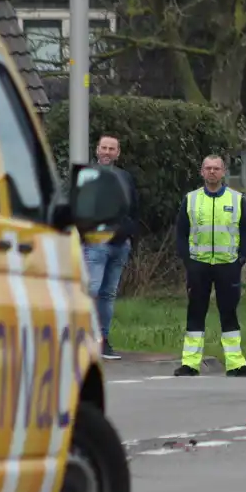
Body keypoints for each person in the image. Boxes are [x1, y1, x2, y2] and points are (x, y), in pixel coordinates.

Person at [172, 155, 246, 378]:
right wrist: (188, 261)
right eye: (208, 168)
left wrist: (240, 260)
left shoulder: (237, 200)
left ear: (223, 172)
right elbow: (181, 234)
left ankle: (235, 364)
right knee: (195, 313)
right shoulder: (190, 199)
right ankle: (190, 364)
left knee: (229, 313)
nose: (212, 172)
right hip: (198, 266)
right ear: (201, 172)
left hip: (227, 266)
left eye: (216, 168)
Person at [83, 134, 139, 360]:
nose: (107, 152)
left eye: (112, 149)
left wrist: (129, 236)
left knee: (108, 294)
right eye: (104, 148)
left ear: (118, 153)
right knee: (91, 291)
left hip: (120, 247)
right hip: (96, 245)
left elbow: (134, 209)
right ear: (97, 150)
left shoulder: (125, 178)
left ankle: (104, 341)